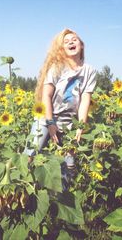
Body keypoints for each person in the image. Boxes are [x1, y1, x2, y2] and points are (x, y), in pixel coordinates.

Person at [24, 28, 97, 187]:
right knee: (30, 155)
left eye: (74, 39)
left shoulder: (89, 71)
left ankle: (60, 196)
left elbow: (85, 100)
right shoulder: (57, 68)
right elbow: (46, 96)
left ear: (82, 45)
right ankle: (23, 190)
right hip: (46, 119)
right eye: (66, 41)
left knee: (69, 165)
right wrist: (50, 124)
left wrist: (80, 126)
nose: (71, 42)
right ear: (62, 49)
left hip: (68, 123)